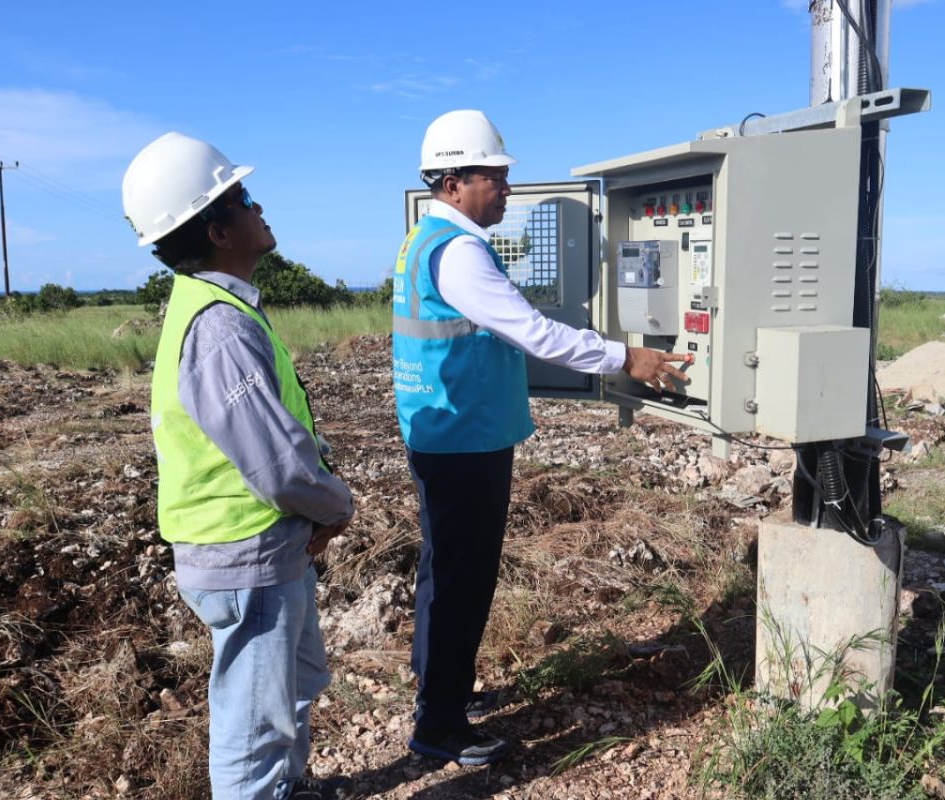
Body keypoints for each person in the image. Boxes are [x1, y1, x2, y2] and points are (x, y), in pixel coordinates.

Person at [392, 109, 690, 766]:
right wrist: (625, 358)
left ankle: (436, 691)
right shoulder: (461, 251)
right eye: (493, 177)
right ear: (452, 182)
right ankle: (439, 724)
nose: (502, 189)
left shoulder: (423, 240)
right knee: (463, 582)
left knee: (443, 571)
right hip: (465, 438)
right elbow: (536, 333)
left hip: (438, 428)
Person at [122, 132, 355, 800]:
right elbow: (279, 466)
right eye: (244, 198)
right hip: (244, 554)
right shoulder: (221, 329)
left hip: (264, 549)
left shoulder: (220, 310)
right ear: (220, 229)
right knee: (252, 731)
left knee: (291, 689)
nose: (261, 208)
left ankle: (292, 788)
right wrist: (337, 503)